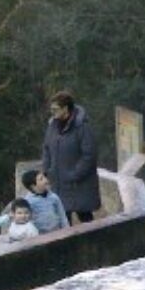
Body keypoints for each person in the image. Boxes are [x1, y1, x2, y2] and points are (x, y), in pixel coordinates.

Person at [41, 90, 101, 224]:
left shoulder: (82, 127)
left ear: (65, 108)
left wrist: (74, 174)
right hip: (58, 182)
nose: (52, 112)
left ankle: (92, 243)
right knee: (62, 220)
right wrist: (46, 169)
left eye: (55, 109)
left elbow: (89, 155)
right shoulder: (52, 126)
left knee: (86, 219)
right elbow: (46, 148)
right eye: (51, 109)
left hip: (79, 183)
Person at [22, 169, 67, 234]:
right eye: (41, 179)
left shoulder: (53, 197)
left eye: (44, 177)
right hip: (40, 237)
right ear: (33, 186)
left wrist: (67, 231)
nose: (46, 180)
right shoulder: (28, 202)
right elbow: (27, 221)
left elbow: (62, 215)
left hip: (58, 232)